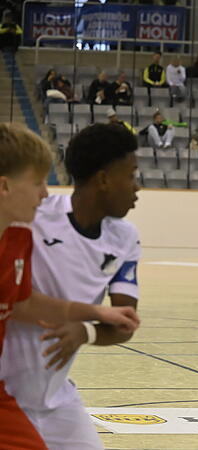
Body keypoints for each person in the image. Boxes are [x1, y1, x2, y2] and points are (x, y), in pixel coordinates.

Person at [1, 123, 142, 449]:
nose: (137, 187)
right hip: (7, 390)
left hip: (55, 400)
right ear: (104, 179)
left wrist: (86, 330)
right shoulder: (29, 218)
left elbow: (123, 322)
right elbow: (21, 302)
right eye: (132, 175)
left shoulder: (125, 239)